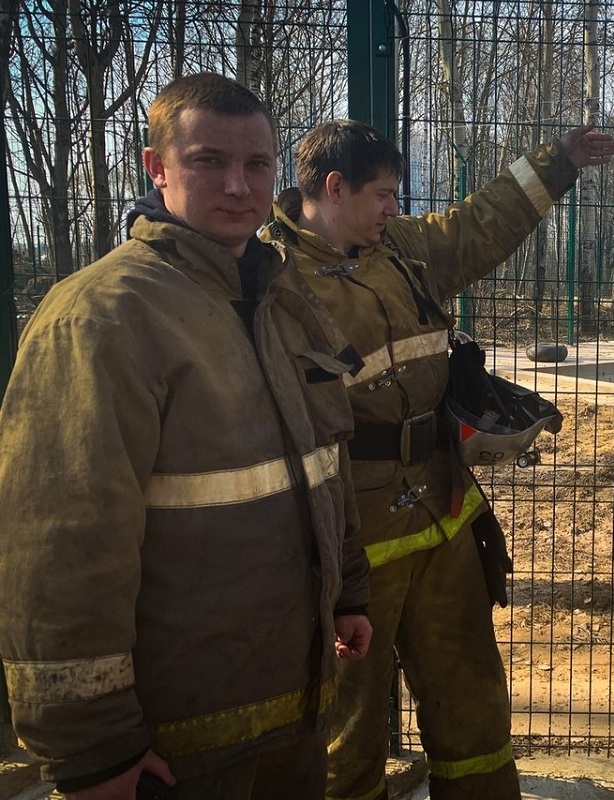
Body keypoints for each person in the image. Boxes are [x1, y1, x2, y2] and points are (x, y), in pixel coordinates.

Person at [0, 72, 372, 799]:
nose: (238, 185)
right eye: (208, 161)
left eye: (257, 165)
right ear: (157, 167)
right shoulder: (101, 317)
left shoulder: (277, 298)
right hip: (177, 747)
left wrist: (347, 591)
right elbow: (59, 547)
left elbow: (323, 461)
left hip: (294, 713)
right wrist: (95, 751)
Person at [261, 118, 614, 800]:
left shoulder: (402, 251)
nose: (395, 207)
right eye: (384, 195)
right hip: (350, 545)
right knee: (347, 729)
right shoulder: (272, 284)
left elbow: (480, 223)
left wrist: (559, 161)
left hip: (444, 514)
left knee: (474, 704)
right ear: (334, 188)